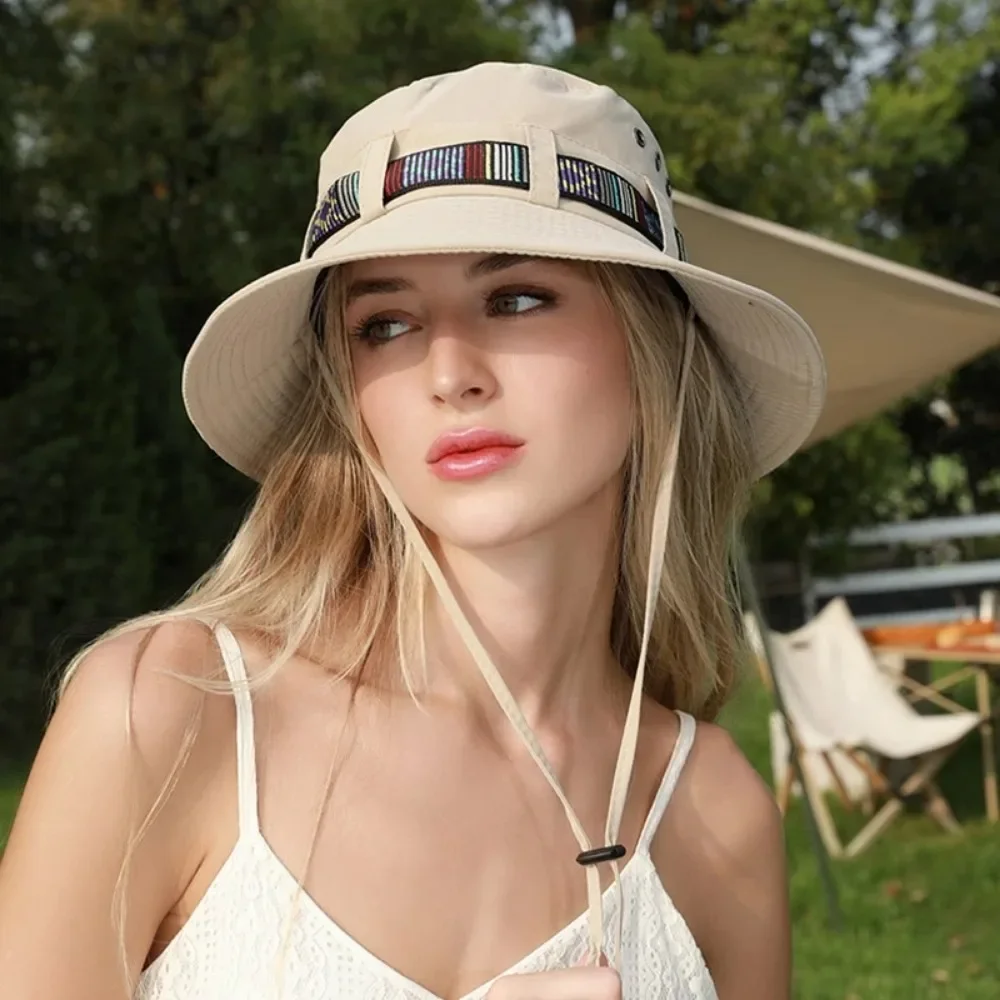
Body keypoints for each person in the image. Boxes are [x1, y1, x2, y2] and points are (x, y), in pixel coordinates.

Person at [0, 62, 825, 1000]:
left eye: (516, 298)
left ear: (655, 348)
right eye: (385, 323)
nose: (449, 372)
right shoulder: (174, 712)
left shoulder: (714, 811)